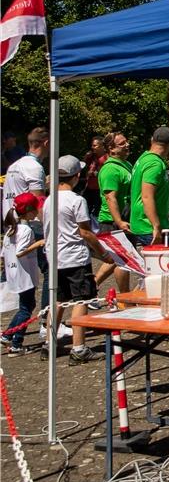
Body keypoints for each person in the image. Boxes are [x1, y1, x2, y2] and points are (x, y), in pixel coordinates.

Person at [47, 156, 111, 364]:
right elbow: (85, 232)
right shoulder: (77, 200)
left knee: (57, 300)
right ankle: (79, 347)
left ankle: (49, 342)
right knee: (81, 299)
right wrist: (102, 252)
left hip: (55, 256)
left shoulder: (49, 200)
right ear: (76, 176)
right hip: (75, 256)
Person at [4, 128, 50, 318]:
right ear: (46, 143)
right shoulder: (34, 167)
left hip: (12, 223)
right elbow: (38, 201)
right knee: (50, 270)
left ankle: (23, 315)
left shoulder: (14, 165)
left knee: (24, 275)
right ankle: (46, 321)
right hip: (30, 226)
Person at [92, 132, 135, 293]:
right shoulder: (110, 169)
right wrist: (119, 221)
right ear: (111, 149)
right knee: (123, 260)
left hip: (124, 219)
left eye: (126, 141)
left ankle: (93, 284)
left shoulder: (126, 165)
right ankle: (125, 298)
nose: (127, 145)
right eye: (122, 143)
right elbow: (111, 198)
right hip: (112, 221)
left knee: (116, 259)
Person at [2, 193, 43, 354]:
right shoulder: (25, 229)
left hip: (14, 273)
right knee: (26, 307)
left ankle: (10, 336)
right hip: (24, 274)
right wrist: (39, 243)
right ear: (29, 211)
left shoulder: (11, 229)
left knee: (26, 306)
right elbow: (20, 252)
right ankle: (14, 340)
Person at [130, 127, 169, 247]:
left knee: (142, 263)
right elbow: (147, 196)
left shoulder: (143, 159)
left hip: (143, 223)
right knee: (168, 263)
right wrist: (156, 225)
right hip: (148, 226)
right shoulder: (154, 164)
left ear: (151, 140)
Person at [79, 136, 106, 215]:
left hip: (98, 190)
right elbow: (84, 167)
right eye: (92, 145)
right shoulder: (91, 157)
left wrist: (94, 173)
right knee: (85, 211)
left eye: (95, 145)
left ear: (102, 146)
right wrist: (85, 158)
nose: (92, 147)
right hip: (89, 188)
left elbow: (105, 174)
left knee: (96, 213)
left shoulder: (106, 159)